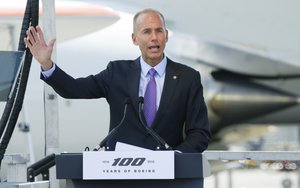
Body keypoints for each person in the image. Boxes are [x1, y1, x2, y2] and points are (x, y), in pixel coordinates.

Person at [24, 8, 211, 153]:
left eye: (159, 31)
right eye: (146, 32)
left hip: (172, 177)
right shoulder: (117, 72)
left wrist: (177, 156)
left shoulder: (188, 78)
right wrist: (47, 64)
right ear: (134, 39)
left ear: (166, 36)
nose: (154, 38)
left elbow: (200, 133)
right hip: (122, 175)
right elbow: (74, 89)